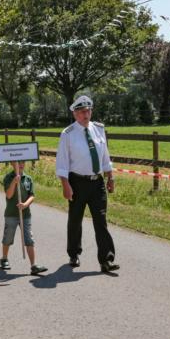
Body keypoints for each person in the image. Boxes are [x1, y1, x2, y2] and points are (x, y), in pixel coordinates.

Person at [56, 95, 119, 273]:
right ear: (75, 114)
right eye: (82, 112)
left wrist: (110, 177)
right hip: (77, 182)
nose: (86, 114)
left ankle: (106, 259)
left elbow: (105, 156)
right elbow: (62, 162)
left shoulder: (98, 129)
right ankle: (74, 253)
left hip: (97, 182)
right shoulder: (68, 134)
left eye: (88, 111)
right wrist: (65, 185)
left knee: (101, 221)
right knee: (75, 220)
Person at [0, 161, 47, 275]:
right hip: (11, 214)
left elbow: (32, 195)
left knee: (29, 239)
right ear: (12, 164)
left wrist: (25, 204)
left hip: (25, 215)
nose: (21, 165)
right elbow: (9, 195)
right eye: (17, 163)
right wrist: (14, 182)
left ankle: (33, 265)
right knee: (8, 237)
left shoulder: (28, 179)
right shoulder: (8, 178)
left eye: (22, 162)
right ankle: (4, 259)